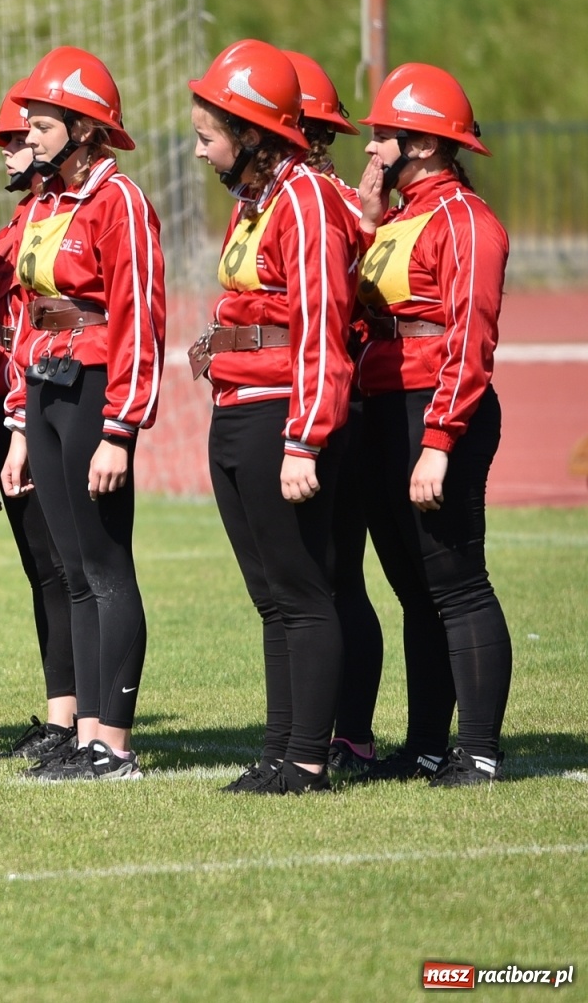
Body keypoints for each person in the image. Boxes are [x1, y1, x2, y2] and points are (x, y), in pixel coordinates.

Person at [187, 40, 358, 794]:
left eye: (207, 136)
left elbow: (322, 324)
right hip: (236, 411)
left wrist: (305, 440)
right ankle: (280, 751)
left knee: (303, 593)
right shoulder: (258, 202)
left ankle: (308, 763)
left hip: (278, 416)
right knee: (270, 596)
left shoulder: (307, 200)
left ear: (250, 133)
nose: (199, 153)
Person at [0, 48, 166, 782]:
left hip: (94, 386)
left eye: (40, 125)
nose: (26, 137)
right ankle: (87, 734)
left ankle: (113, 745)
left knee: (104, 566)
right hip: (45, 386)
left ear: (86, 130)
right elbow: (24, 316)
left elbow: (139, 317)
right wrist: (19, 421)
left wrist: (120, 430)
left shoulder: (119, 201)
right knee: (70, 569)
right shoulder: (46, 202)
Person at [352, 63, 512, 786]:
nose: (371, 145)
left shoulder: (465, 220)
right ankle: (423, 746)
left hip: (435, 415)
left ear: (419, 142)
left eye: (382, 134)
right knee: (416, 591)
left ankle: (477, 749)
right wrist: (364, 217)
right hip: (386, 409)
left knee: (457, 585)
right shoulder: (398, 215)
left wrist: (440, 442)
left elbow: (470, 342)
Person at [283, 49, 385, 778]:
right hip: (297, 404)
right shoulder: (283, 199)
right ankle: (320, 730)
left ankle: (349, 732)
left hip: (335, 409)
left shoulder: (328, 199)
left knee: (336, 574)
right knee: (314, 575)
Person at [0, 79, 77, 762]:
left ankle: (75, 722)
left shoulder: (58, 218)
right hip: (12, 407)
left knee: (65, 573)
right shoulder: (18, 223)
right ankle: (59, 712)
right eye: (9, 140)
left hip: (44, 405)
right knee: (43, 574)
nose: (11, 152)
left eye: (19, 139)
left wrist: (17, 426)